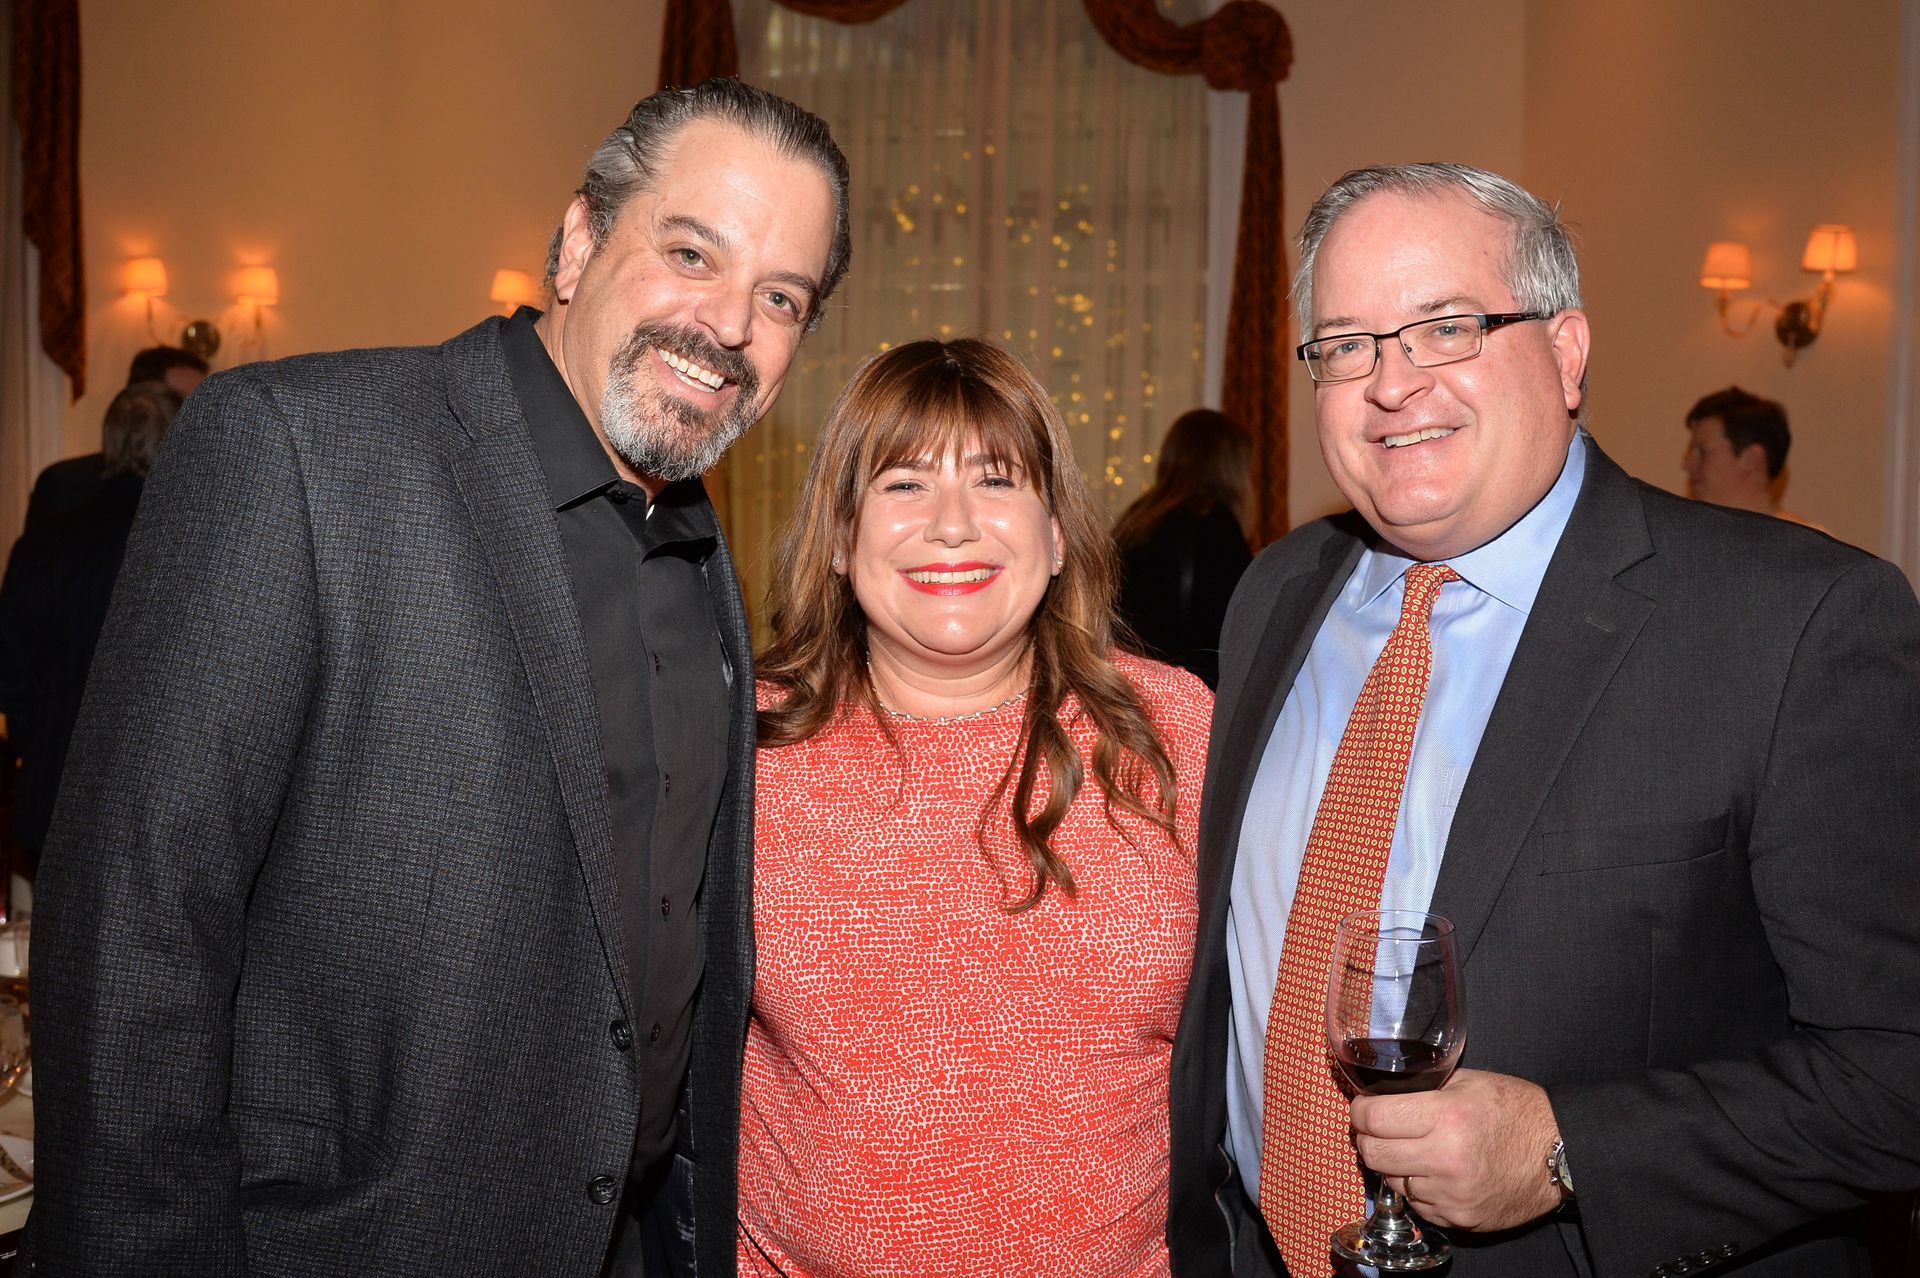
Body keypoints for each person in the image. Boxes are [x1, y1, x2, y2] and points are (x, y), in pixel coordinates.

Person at [28, 77, 850, 1276]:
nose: (728, 323)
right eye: (690, 253)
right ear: (579, 241)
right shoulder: (300, 449)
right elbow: (133, 922)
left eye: (781, 297)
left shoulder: (702, 557)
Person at [1167, 162, 1920, 1278]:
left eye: (1447, 328)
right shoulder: (1277, 591)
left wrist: (1573, 1150)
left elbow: (1896, 1068)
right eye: (1347, 344)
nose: (1392, 384)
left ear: (1567, 351)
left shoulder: (1796, 623)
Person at [738, 338, 1213, 1276]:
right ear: (839, 537)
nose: (952, 525)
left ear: (1057, 533)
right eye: (904, 483)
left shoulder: (1175, 732)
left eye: (997, 481)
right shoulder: (740, 749)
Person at [0, 382, 182, 875]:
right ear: (178, 443)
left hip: (51, 790)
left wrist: (40, 744)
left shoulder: (40, 543)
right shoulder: (185, 543)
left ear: (108, 441)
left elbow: (11, 672)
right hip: (154, 800)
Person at [1112, 408, 1255, 688]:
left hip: (1134, 685)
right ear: (1232, 468)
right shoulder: (1215, 523)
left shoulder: (1138, 517)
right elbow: (1238, 625)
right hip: (1191, 692)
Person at [20, 345, 207, 536]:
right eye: (183, 402)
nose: (201, 416)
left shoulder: (206, 488)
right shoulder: (65, 484)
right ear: (144, 401)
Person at [1681, 385, 1821, 528]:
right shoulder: (1685, 532)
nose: (1686, 465)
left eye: (1703, 452)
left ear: (1751, 460)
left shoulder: (1806, 540)